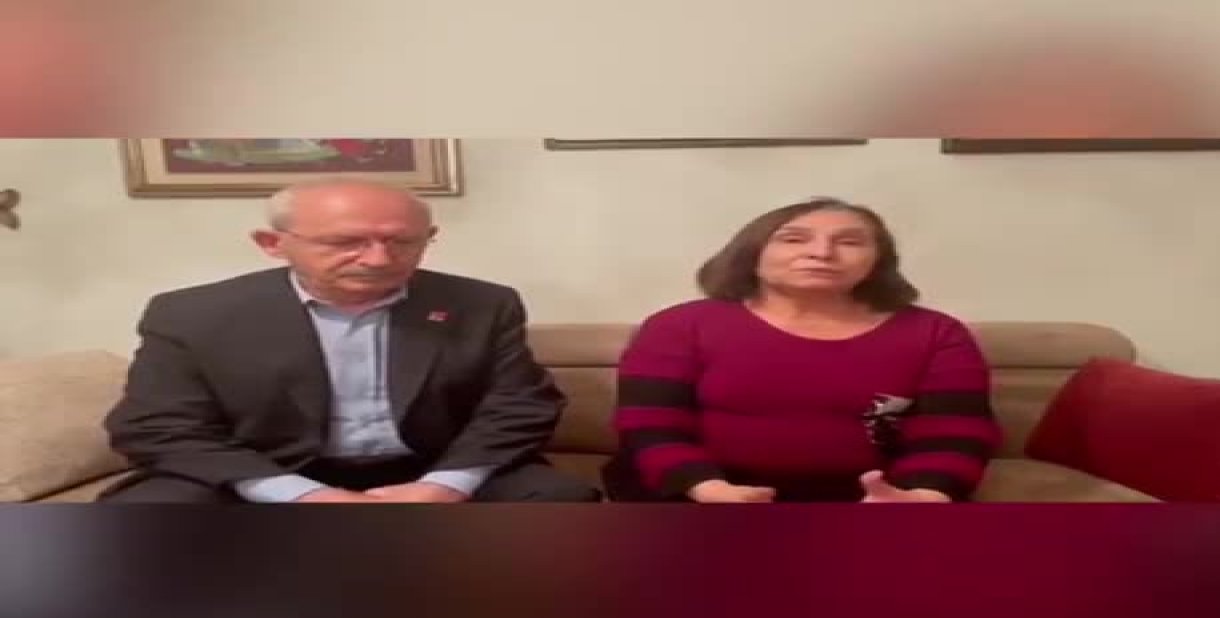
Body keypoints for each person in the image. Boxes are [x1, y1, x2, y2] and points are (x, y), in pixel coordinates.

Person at [100, 178, 600, 503]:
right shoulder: (192, 315)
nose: (378, 259)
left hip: (429, 467)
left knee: (559, 498)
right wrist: (298, 494)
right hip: (267, 471)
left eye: (402, 241)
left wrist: (444, 486)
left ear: (429, 237)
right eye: (345, 242)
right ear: (273, 243)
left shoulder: (483, 304)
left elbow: (519, 406)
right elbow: (158, 426)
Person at [602, 197, 1002, 503]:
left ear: (878, 262)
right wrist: (707, 488)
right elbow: (650, 425)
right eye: (794, 239)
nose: (822, 253)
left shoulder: (936, 333)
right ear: (752, 255)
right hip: (695, 490)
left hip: (868, 495)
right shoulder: (678, 325)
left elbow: (955, 432)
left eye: (849, 242)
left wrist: (925, 495)